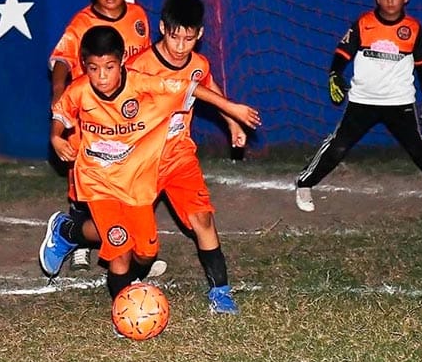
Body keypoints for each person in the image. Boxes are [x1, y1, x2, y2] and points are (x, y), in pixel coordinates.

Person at [40, 26, 260, 313]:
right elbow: (61, 112)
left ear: (121, 63)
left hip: (135, 182)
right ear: (85, 66)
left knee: (145, 251)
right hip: (97, 182)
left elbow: (191, 88)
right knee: (120, 250)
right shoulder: (80, 90)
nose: (102, 76)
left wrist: (233, 110)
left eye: (108, 67)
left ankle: (68, 231)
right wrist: (56, 136)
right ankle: (126, 312)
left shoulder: (145, 86)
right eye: (93, 68)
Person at [295, 0, 422, 212]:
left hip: (400, 101)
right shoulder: (364, 23)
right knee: (338, 144)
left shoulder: (413, 28)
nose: (389, 0)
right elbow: (342, 53)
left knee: (418, 147)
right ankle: (304, 184)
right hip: (363, 100)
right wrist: (334, 74)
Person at [126, 0, 245, 314]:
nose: (180, 47)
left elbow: (208, 89)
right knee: (131, 240)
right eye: (175, 37)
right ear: (162, 28)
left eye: (189, 39)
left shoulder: (198, 64)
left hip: (179, 156)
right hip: (141, 161)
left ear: (200, 35)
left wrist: (232, 122)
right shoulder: (138, 67)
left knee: (202, 218)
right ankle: (72, 232)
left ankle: (220, 292)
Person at [48, 0, 153, 272]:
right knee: (85, 179)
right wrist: (58, 93)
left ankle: (113, 237)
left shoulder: (139, 18)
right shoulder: (81, 23)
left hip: (127, 117)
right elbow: (62, 59)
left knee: (127, 181)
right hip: (89, 116)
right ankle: (78, 237)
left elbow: (146, 64)